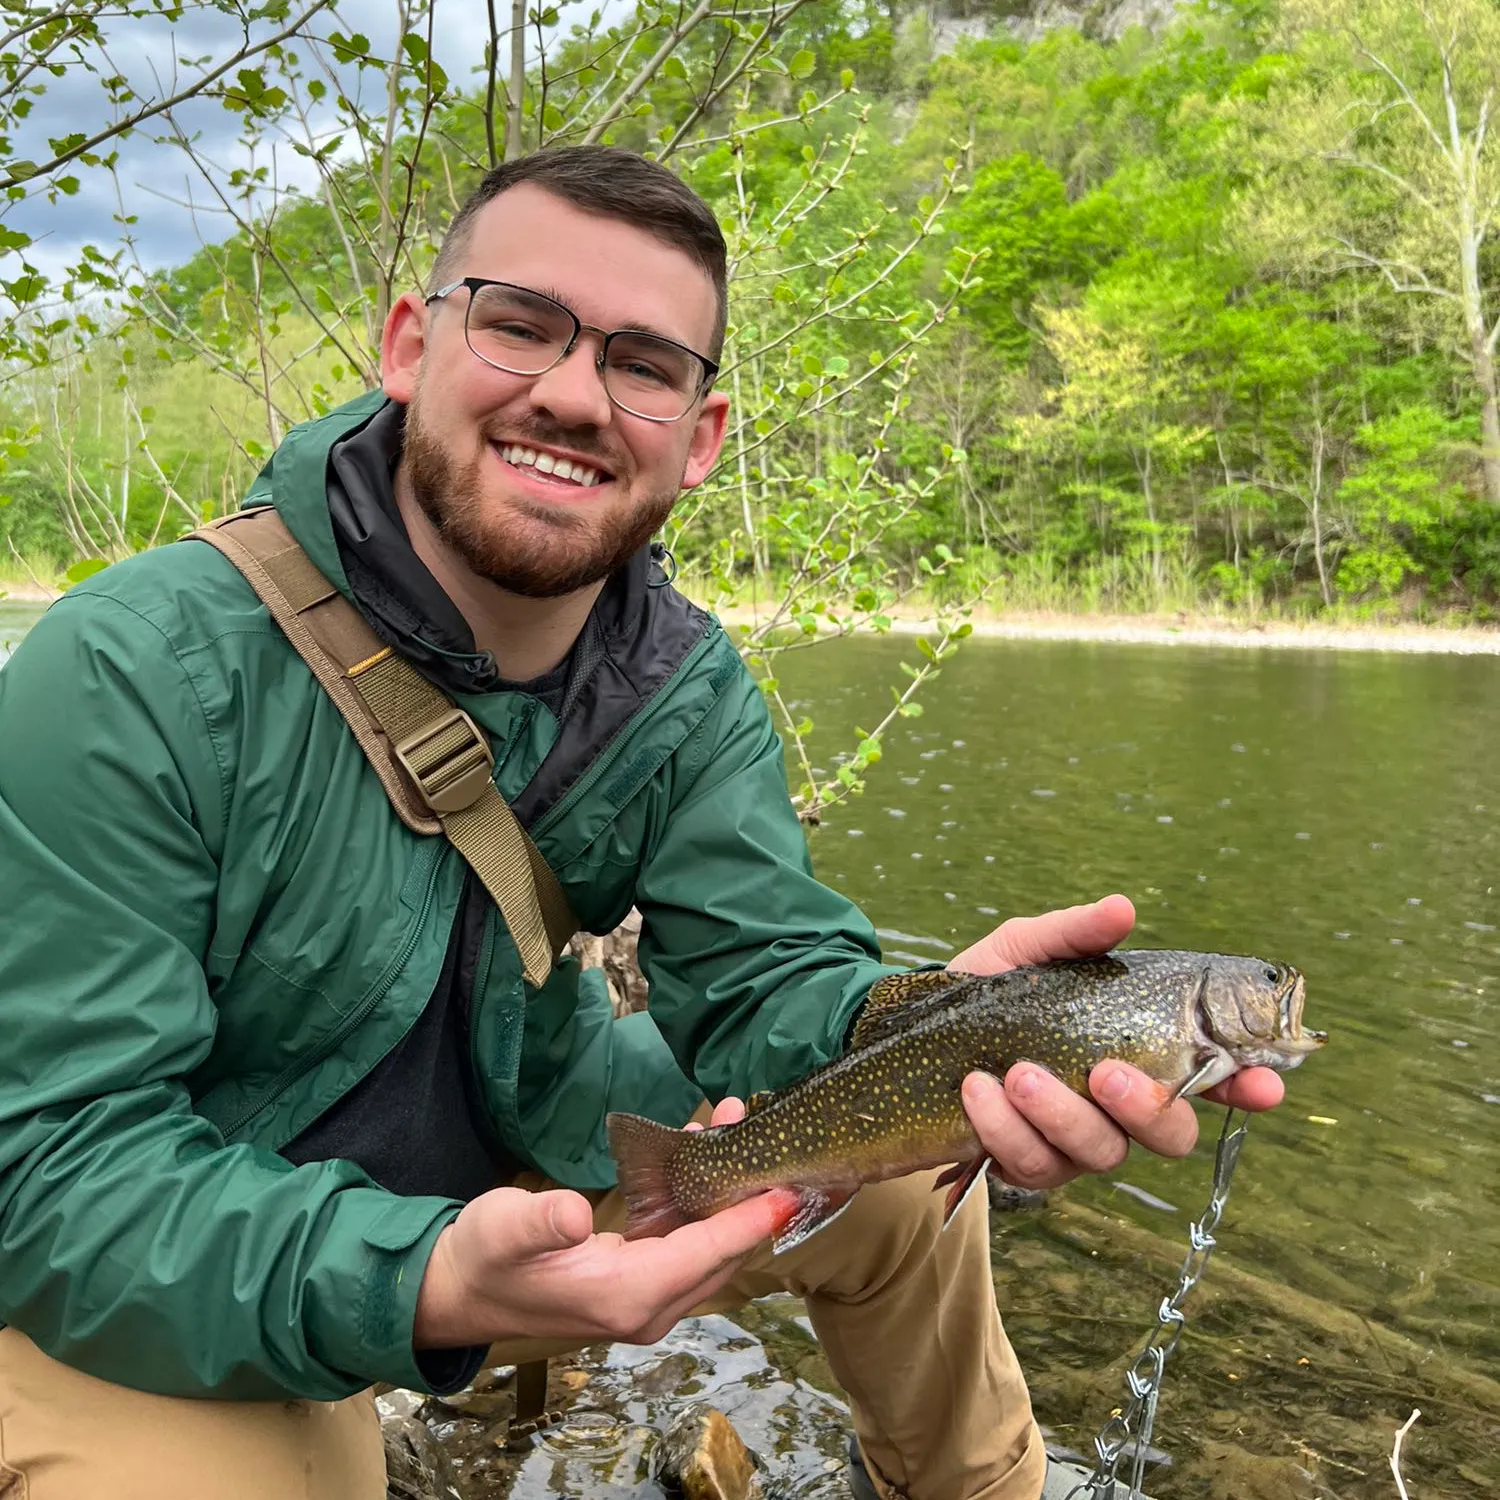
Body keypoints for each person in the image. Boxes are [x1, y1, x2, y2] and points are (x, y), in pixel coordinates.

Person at [0, 146, 1281, 1500]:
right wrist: (421, 1280)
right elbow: (52, 1168)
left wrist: (919, 1023)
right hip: (197, 1257)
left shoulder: (680, 687)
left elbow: (764, 975)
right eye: (519, 325)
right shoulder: (129, 670)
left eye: (643, 363)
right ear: (408, 345)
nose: (570, 394)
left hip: (542, 1171)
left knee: (907, 1187)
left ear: (699, 435)